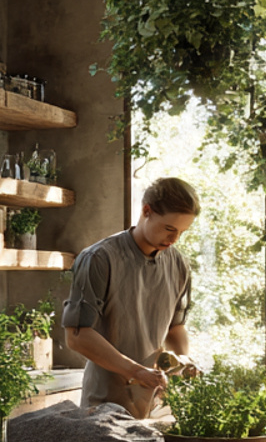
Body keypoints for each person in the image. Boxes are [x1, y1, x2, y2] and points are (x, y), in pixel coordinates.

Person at [62, 177, 200, 417]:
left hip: (155, 407)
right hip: (104, 407)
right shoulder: (99, 258)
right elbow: (77, 336)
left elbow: (175, 328)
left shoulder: (178, 264)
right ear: (147, 211)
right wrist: (135, 371)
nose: (174, 239)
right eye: (169, 229)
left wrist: (184, 360)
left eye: (181, 232)